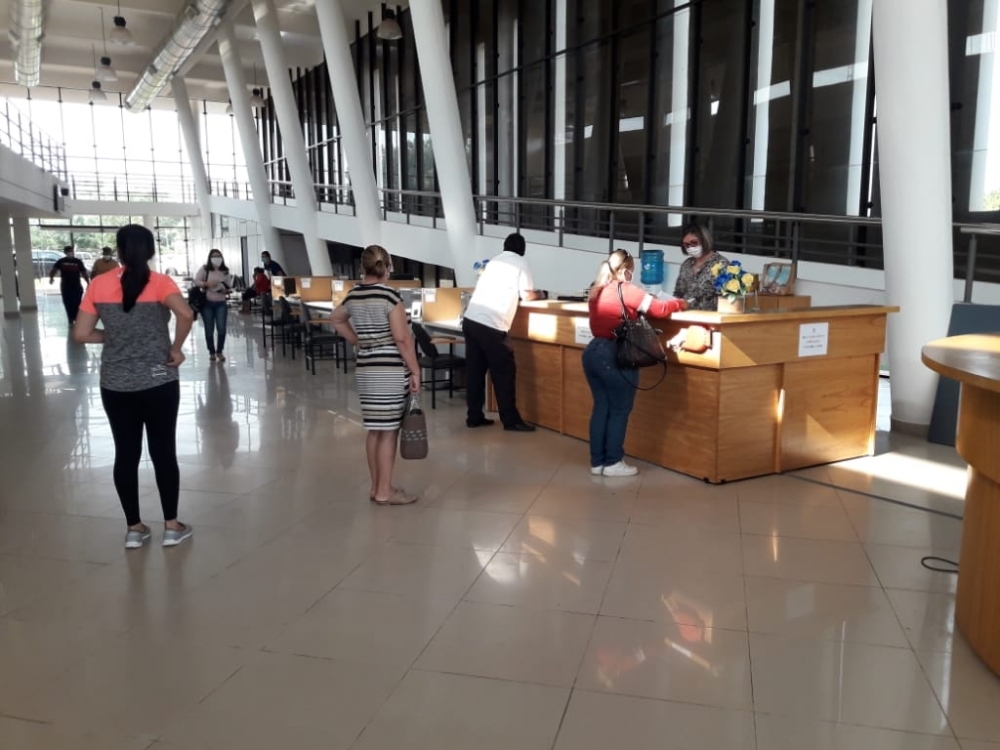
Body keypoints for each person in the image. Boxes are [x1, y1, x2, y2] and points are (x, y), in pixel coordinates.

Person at [72, 224, 195, 549]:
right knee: (163, 451)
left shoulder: (98, 284)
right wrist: (176, 348)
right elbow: (185, 314)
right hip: (159, 380)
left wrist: (113, 336)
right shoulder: (161, 282)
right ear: (150, 251)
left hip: (115, 383)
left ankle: (134, 529)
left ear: (120, 251)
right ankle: (172, 526)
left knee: (126, 453)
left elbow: (81, 334)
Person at [330, 245, 422, 505]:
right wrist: (415, 370)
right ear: (387, 267)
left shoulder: (354, 294)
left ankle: (377, 487)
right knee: (389, 431)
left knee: (375, 430)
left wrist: (357, 341)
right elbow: (402, 339)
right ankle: (384, 491)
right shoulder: (390, 296)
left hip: (366, 367)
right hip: (389, 369)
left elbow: (335, 318)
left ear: (363, 267)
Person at [585, 250, 687, 477]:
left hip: (592, 352)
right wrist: (680, 303)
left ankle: (597, 463)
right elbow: (660, 309)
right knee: (619, 410)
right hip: (616, 354)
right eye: (632, 270)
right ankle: (613, 463)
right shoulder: (626, 289)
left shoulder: (596, 289)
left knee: (601, 407)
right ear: (625, 270)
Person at [462, 232, 546, 432]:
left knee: (475, 372)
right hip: (492, 325)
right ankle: (511, 420)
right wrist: (542, 294)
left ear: (504, 247)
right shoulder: (520, 261)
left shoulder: (494, 262)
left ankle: (474, 416)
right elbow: (526, 295)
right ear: (522, 249)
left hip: (471, 320)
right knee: (505, 372)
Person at [672, 223, 729, 311]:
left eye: (694, 243)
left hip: (710, 315)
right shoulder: (686, 265)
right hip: (685, 314)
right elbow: (678, 293)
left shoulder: (721, 264)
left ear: (704, 240)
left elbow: (726, 297)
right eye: (687, 245)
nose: (690, 247)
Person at [193, 249, 234, 362]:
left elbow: (229, 285)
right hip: (207, 303)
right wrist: (207, 284)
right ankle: (212, 352)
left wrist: (224, 290)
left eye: (219, 256)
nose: (217, 258)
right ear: (210, 258)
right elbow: (196, 281)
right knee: (209, 329)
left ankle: (219, 351)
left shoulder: (225, 271)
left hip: (221, 303)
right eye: (214, 256)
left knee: (221, 329)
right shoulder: (205, 269)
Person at [49, 245, 89, 325]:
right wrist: (51, 278)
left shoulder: (78, 261)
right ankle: (70, 318)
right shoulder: (61, 261)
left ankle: (76, 317)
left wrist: (88, 282)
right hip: (65, 286)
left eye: (71, 251)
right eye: (68, 251)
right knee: (67, 302)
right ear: (65, 252)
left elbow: (83, 272)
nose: (70, 253)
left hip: (76, 285)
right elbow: (54, 270)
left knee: (77, 302)